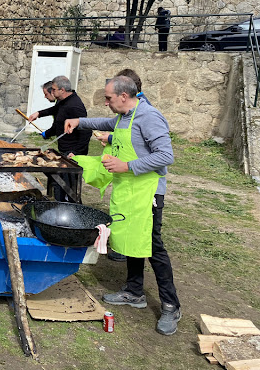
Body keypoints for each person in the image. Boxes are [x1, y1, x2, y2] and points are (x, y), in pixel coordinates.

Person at [64, 76, 181, 336]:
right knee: (130, 240)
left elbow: (165, 156)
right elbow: (103, 123)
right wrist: (79, 122)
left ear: (124, 96)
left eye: (108, 98)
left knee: (152, 246)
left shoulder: (149, 117)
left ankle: (171, 305)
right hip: (128, 191)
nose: (106, 103)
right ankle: (134, 291)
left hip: (148, 192)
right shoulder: (123, 116)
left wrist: (127, 166)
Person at [28, 75, 92, 201]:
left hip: (72, 153)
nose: (52, 92)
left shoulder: (75, 105)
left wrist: (76, 152)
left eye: (54, 89)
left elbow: (87, 131)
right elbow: (54, 109)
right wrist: (39, 114)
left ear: (62, 90)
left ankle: (72, 210)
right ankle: (60, 205)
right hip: (64, 149)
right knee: (59, 183)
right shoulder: (63, 101)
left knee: (69, 187)